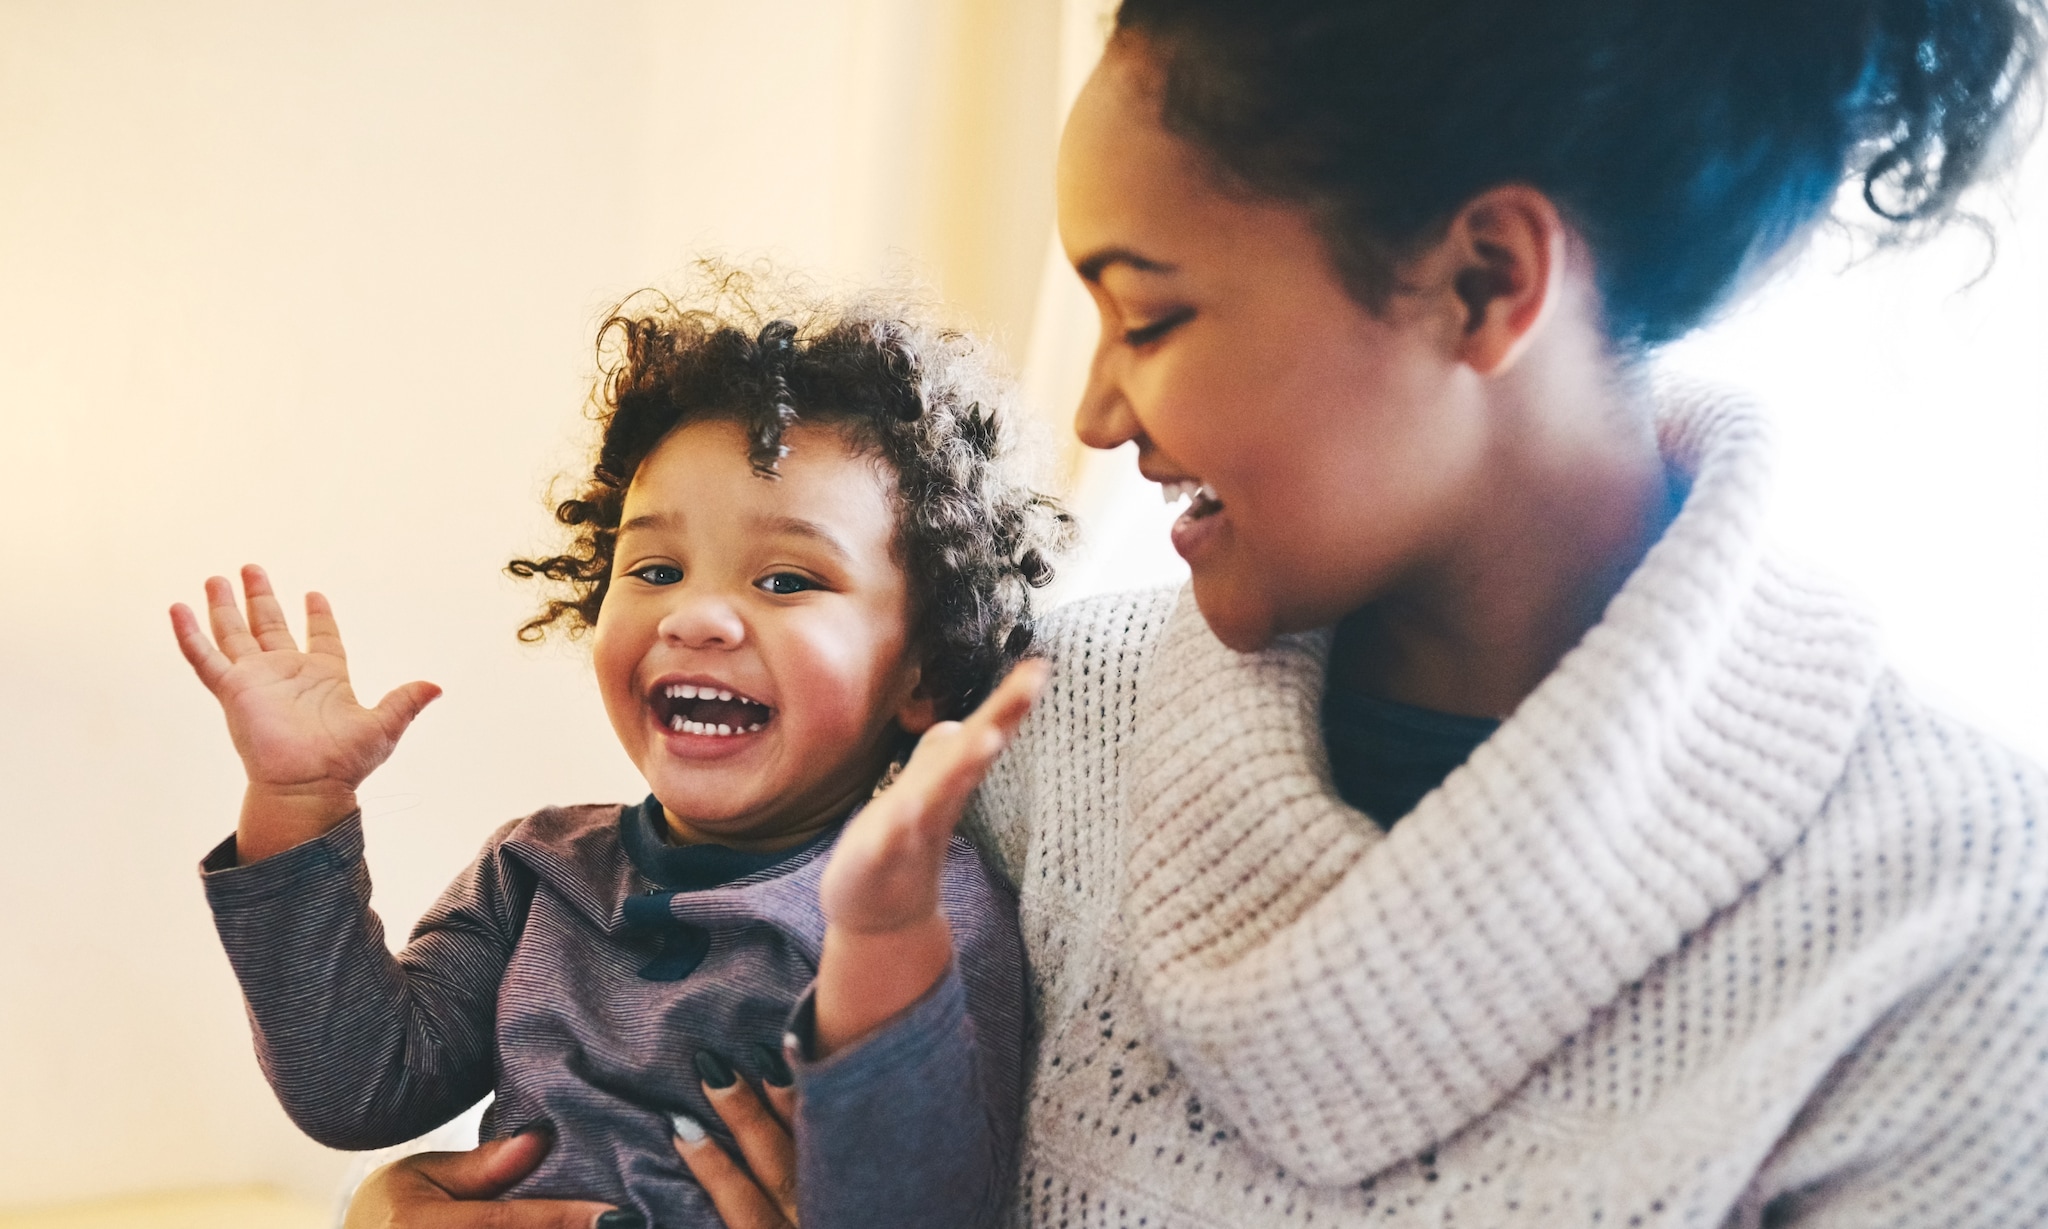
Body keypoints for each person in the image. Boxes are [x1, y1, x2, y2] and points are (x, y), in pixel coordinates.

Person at [348, 0, 2048, 1225]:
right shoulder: (1033, 728)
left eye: (1145, 315)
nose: (1091, 413)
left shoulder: (1950, 918)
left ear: (1483, 283)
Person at [171, 279, 1071, 1229]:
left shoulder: (923, 907)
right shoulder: (537, 869)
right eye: (653, 569)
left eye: (786, 577)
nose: (694, 614)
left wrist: (882, 942)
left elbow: (929, 1207)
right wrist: (296, 802)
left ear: (921, 670)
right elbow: (357, 1087)